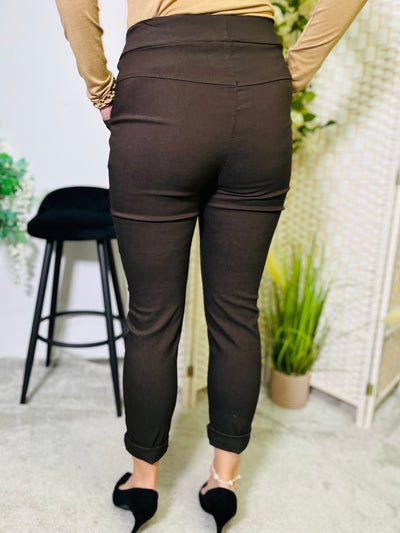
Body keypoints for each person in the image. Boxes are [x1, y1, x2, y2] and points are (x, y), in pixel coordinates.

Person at [54, 1, 368, 532]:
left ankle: (143, 484)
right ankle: (223, 483)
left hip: (161, 83)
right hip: (258, 83)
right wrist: (289, 75)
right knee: (237, 312)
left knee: (152, 315)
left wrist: (101, 88)